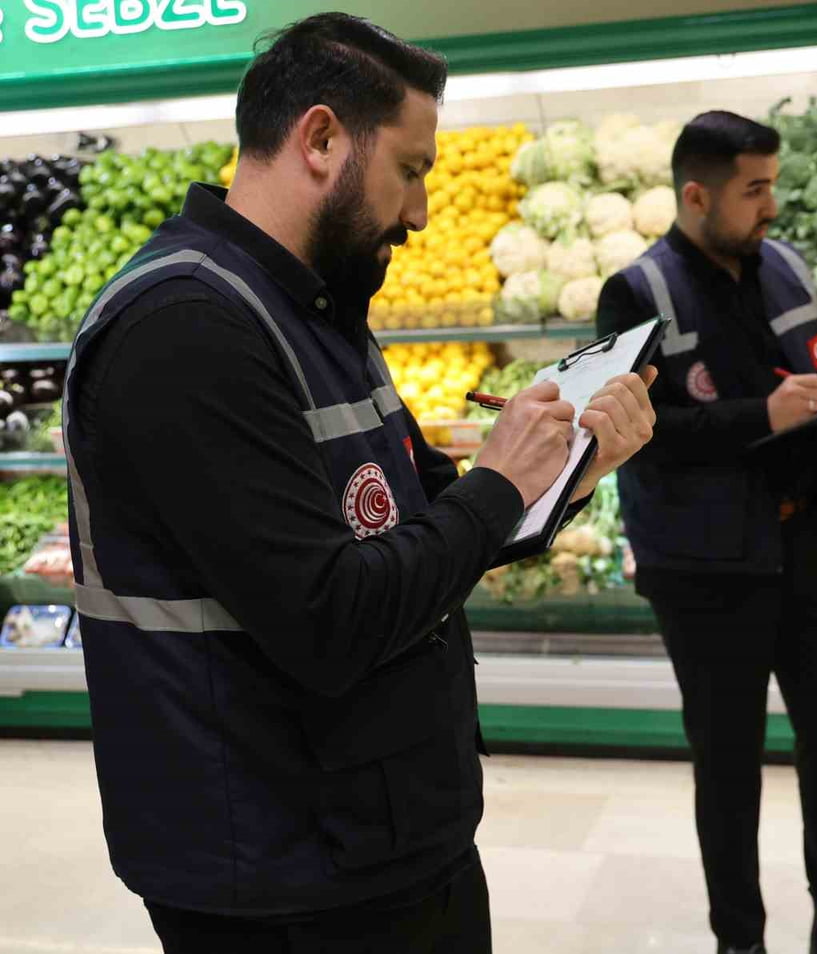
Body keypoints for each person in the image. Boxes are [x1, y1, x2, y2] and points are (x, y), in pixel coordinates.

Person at [63, 14, 656, 954]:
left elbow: (420, 522)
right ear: (322, 138)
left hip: (373, 831)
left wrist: (566, 470)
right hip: (276, 870)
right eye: (411, 169)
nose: (420, 211)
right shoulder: (186, 329)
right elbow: (329, 621)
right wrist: (500, 483)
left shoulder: (317, 304)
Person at [596, 111, 817, 954]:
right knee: (729, 762)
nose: (771, 205)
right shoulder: (638, 294)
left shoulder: (784, 264)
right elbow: (634, 431)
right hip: (705, 569)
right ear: (697, 195)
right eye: (754, 190)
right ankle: (740, 940)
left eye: (774, 185)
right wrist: (760, 416)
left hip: (811, 544)